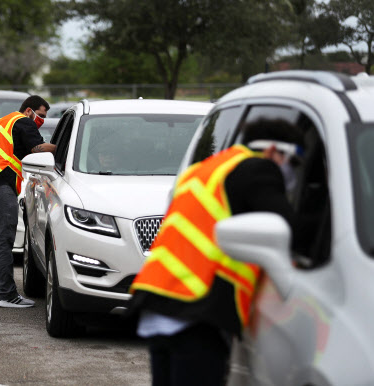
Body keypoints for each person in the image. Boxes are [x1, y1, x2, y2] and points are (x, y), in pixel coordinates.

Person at [128, 119, 305, 386]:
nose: (292, 172)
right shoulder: (258, 169)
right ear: (273, 150)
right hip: (195, 311)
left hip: (159, 304)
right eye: (294, 161)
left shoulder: (205, 168)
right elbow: (290, 230)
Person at [0, 95, 56, 308]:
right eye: (41, 115)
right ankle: (6, 295)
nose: (42, 120)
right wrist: (60, 148)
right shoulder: (24, 121)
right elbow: (37, 149)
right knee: (3, 240)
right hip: (0, 186)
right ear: (29, 110)